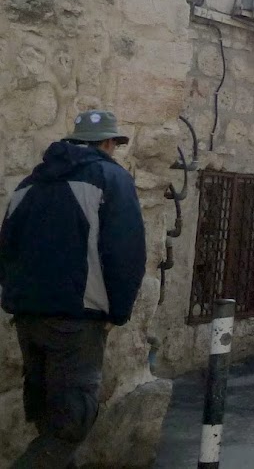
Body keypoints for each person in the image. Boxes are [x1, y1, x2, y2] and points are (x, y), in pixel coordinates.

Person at [0, 110, 146, 469]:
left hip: (28, 316)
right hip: (76, 320)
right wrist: (119, 313)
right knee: (72, 423)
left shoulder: (29, 184)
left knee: (50, 416)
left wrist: (19, 299)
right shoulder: (112, 178)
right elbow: (125, 250)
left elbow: (7, 248)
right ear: (109, 143)